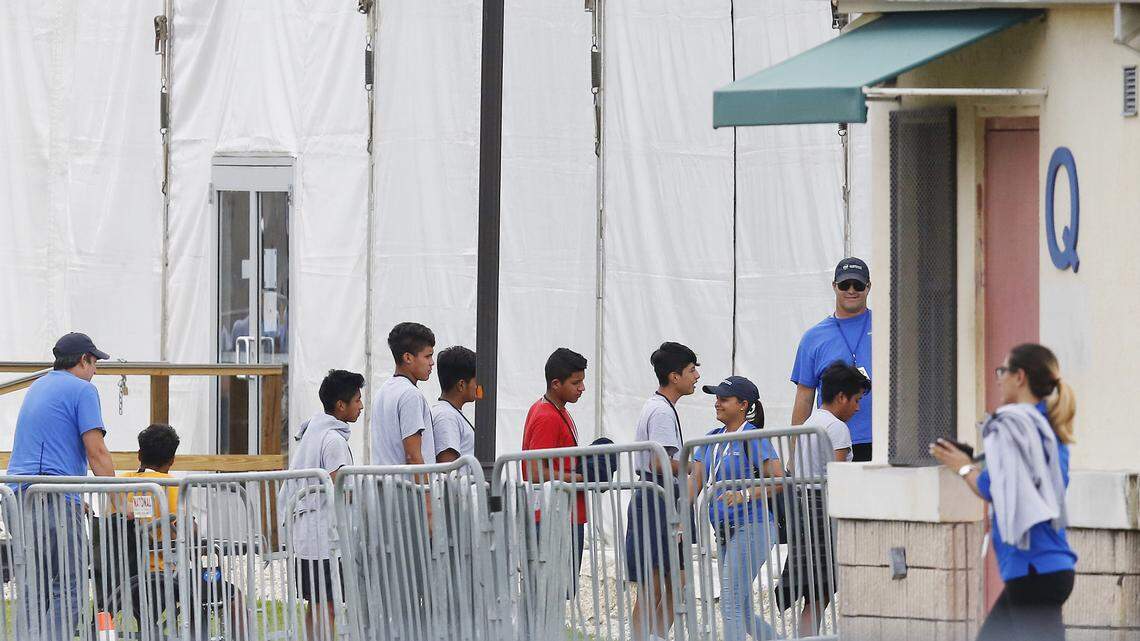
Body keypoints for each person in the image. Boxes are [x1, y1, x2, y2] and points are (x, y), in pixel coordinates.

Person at [931, 344, 1077, 641]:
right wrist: (974, 464)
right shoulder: (1047, 429)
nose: (999, 378)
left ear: (1020, 377)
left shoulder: (1013, 424)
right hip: (1046, 568)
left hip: (1033, 570)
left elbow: (993, 489)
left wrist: (962, 467)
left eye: (1003, 371)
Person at [8, 333, 115, 640]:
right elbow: (97, 450)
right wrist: (119, 498)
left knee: (34, 587)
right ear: (83, 360)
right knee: (70, 586)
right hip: (51, 496)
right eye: (95, 363)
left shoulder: (38, 386)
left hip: (17, 495)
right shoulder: (82, 390)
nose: (95, 371)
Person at [116, 424, 246, 640]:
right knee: (232, 596)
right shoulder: (173, 485)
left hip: (122, 576)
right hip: (163, 575)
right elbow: (190, 535)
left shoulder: (117, 486)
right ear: (172, 459)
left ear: (139, 454)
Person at [690, 376, 784, 641]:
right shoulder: (711, 438)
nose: (716, 403)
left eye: (723, 399)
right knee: (738, 607)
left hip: (752, 526)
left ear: (743, 404)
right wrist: (673, 515)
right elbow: (694, 483)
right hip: (723, 531)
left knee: (730, 603)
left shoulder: (752, 436)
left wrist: (745, 493)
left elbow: (779, 479)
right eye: (716, 398)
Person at [780, 360, 870, 635]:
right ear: (841, 396)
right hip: (824, 509)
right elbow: (839, 474)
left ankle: (804, 635)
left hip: (804, 505)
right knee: (822, 590)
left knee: (814, 592)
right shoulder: (837, 428)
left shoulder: (810, 422)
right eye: (856, 400)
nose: (857, 407)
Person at [625, 342, 699, 641]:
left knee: (676, 582)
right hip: (655, 500)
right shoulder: (660, 411)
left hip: (665, 500)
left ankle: (655, 636)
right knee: (653, 585)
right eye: (692, 370)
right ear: (674, 376)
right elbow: (658, 461)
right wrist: (693, 467)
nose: (696, 376)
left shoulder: (661, 407)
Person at [287, 370, 364, 639]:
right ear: (340, 406)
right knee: (328, 606)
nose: (361, 406)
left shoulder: (313, 433)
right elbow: (341, 488)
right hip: (323, 538)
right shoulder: (332, 440)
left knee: (316, 604)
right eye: (357, 400)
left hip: (307, 535)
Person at [791, 257, 874, 461]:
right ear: (834, 286)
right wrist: (794, 456)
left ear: (869, 286)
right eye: (845, 284)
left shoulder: (889, 325)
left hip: (884, 441)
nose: (852, 290)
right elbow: (804, 398)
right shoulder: (813, 338)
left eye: (859, 285)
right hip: (833, 443)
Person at [521, 348, 588, 593]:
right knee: (548, 594)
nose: (581, 388)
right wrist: (581, 477)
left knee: (555, 595)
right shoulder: (546, 415)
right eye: (576, 382)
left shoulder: (559, 411)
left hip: (563, 514)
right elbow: (535, 472)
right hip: (554, 517)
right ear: (556, 384)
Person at [371, 322, 436, 466]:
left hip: (383, 485)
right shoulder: (410, 395)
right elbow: (413, 456)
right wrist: (426, 489)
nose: (432, 363)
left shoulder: (382, 391)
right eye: (427, 356)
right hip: (406, 487)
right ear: (408, 357)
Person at [432, 346, 477, 463]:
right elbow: (448, 469)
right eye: (477, 381)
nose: (479, 387)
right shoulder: (446, 416)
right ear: (461, 385)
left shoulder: (450, 413)